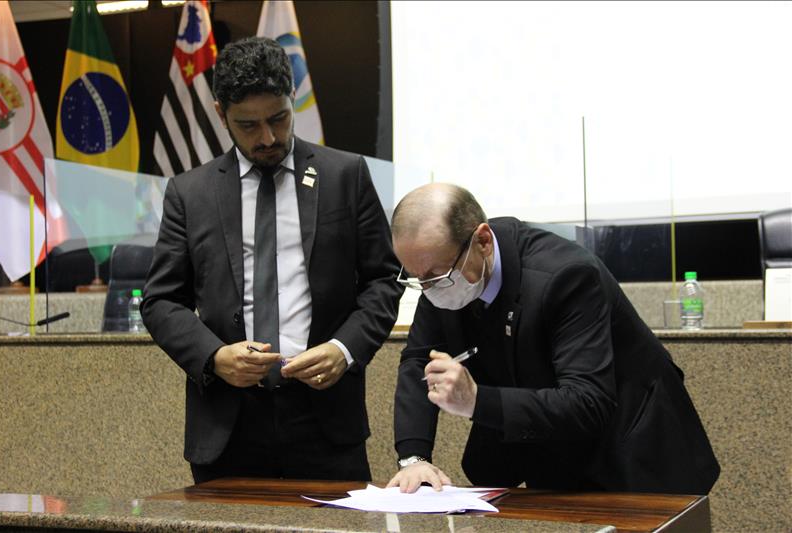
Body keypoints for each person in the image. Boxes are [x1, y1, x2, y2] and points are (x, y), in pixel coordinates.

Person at [141, 37, 403, 483]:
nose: (267, 138)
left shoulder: (346, 176)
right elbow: (161, 301)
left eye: (279, 119)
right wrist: (214, 356)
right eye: (248, 125)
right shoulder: (191, 194)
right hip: (228, 423)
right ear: (221, 112)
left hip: (325, 420)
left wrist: (344, 350)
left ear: (292, 98)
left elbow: (383, 280)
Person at [387, 183, 719, 494]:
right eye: (416, 278)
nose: (428, 289)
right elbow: (419, 360)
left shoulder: (566, 275)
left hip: (631, 453)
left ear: (483, 241)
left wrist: (476, 401)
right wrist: (414, 458)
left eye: (436, 277)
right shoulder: (438, 278)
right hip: (548, 452)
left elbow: (588, 401)